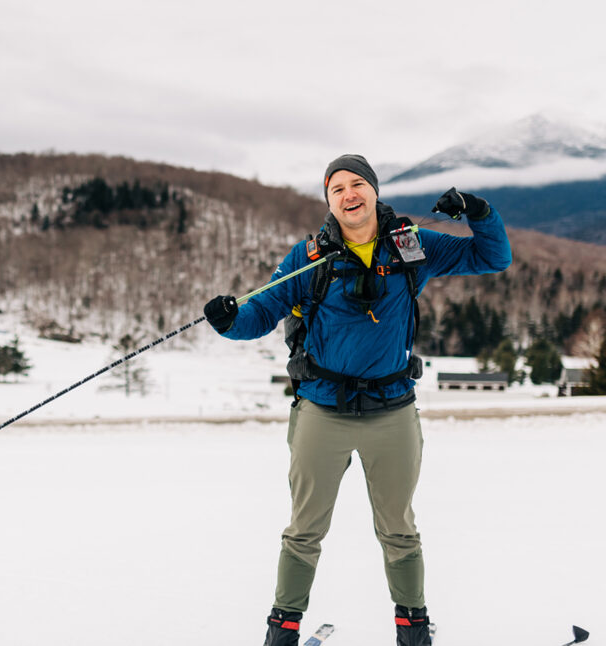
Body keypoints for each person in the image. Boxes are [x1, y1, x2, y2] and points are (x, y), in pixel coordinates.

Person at [201, 154, 509, 646]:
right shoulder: (308, 257)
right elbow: (261, 312)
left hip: (393, 412)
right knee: (304, 531)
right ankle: (282, 632)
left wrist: (477, 210)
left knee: (399, 531)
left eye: (358, 183)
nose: (349, 194)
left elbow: (493, 257)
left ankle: (412, 631)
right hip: (323, 411)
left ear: (374, 190)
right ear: (329, 200)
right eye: (337, 187)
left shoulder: (413, 245)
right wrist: (227, 319)